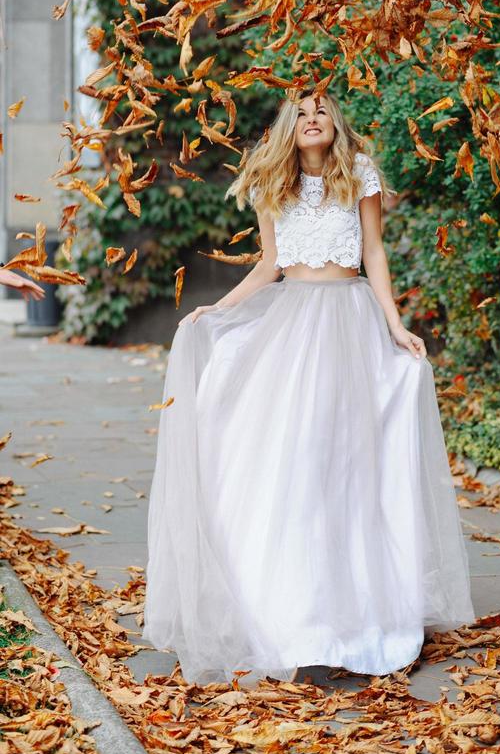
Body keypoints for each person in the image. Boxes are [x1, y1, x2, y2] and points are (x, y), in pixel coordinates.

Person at [141, 89, 475, 687]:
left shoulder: (361, 175)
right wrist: (216, 310)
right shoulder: (274, 185)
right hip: (292, 325)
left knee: (346, 469)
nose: (312, 118)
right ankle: (296, 618)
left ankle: (352, 616)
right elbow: (270, 262)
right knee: (291, 461)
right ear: (288, 130)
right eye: (301, 113)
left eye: (321, 110)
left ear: (335, 123)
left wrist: (396, 326)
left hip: (350, 326)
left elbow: (373, 253)